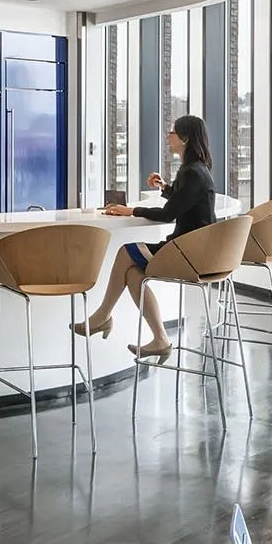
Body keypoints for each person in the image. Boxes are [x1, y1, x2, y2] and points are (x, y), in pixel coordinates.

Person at [73, 115, 217, 360]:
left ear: (185, 138)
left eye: (172, 132)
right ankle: (159, 338)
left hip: (187, 252)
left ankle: (102, 316)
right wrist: (165, 188)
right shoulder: (196, 171)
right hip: (194, 249)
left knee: (126, 252)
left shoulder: (193, 172)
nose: (168, 136)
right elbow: (184, 201)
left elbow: (168, 214)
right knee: (132, 273)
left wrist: (131, 210)